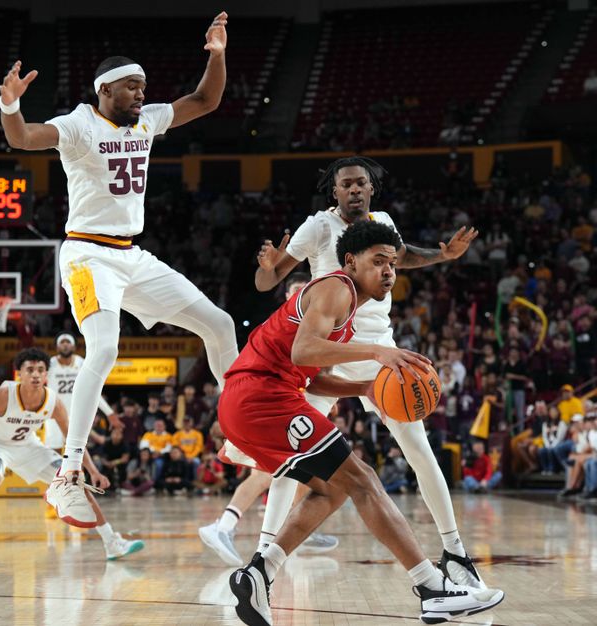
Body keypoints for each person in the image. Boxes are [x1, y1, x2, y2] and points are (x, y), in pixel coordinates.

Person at [0, 13, 239, 527]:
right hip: (87, 255)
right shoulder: (78, 124)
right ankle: (66, 478)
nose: (140, 94)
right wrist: (10, 103)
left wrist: (216, 55)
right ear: (106, 89)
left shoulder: (148, 118)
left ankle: (239, 429)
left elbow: (206, 101)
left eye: (143, 87)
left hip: (132, 255)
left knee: (218, 323)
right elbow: (22, 138)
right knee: (104, 347)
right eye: (132, 86)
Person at [220, 221, 503, 625]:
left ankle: (259, 573)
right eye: (378, 261)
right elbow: (303, 352)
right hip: (260, 397)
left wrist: (366, 387)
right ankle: (431, 588)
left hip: (259, 397)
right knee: (364, 479)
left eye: (392, 263)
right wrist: (376, 352)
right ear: (351, 261)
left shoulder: (346, 309)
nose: (388, 270)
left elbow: (311, 376)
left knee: (332, 491)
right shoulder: (336, 288)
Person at [253, 156, 487, 591]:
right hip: (327, 348)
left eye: (362, 183)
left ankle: (455, 553)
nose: (355, 190)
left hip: (381, 350)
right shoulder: (318, 227)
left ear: (372, 189)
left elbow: (402, 257)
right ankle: (263, 558)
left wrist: (442, 255)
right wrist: (268, 269)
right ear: (335, 191)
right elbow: (269, 283)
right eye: (347, 185)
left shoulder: (383, 222)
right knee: (291, 457)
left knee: (418, 448)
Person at [0, 348, 143, 568]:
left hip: (29, 447)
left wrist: (92, 471)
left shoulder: (53, 402)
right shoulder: (3, 394)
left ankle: (111, 542)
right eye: (30, 370)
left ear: (46, 375)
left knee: (75, 483)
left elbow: (75, 441)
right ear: (20, 374)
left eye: (40, 370)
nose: (35, 374)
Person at [199, 272, 338, 565]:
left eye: (306, 290)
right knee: (267, 473)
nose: (302, 296)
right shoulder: (280, 324)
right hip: (259, 404)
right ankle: (224, 526)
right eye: (297, 291)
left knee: (301, 468)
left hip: (280, 403)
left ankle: (295, 527)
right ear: (288, 296)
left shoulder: (313, 325)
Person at [45, 333, 120, 450]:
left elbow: (92, 390)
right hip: (54, 414)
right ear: (57, 347)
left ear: (74, 347)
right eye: (62, 342)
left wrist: (109, 412)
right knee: (53, 450)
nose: (65, 345)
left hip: (75, 414)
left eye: (68, 342)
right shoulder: (49, 365)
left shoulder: (82, 363)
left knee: (77, 451)